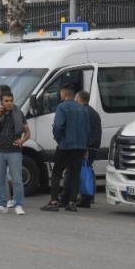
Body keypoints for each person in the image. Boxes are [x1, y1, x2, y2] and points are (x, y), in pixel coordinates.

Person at [44, 84, 89, 212]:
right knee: (75, 174)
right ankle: (72, 202)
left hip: (65, 146)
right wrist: (85, 146)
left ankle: (53, 202)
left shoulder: (62, 107)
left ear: (63, 93)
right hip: (80, 147)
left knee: (57, 173)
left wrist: (59, 139)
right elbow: (87, 129)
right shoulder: (83, 109)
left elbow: (58, 126)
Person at [0, 85, 29, 215]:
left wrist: (22, 141)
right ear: (1, 102)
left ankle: (18, 204)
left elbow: (28, 132)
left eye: (11, 100)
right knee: (0, 179)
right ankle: (1, 204)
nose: (9, 103)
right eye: (6, 101)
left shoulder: (19, 113)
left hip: (14, 151)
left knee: (17, 179)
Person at [76, 90, 103, 208]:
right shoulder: (94, 112)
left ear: (80, 99)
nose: (75, 100)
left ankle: (86, 197)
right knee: (88, 169)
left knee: (82, 171)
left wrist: (84, 147)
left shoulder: (82, 112)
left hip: (86, 146)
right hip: (94, 145)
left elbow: (84, 131)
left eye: (76, 98)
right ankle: (89, 195)